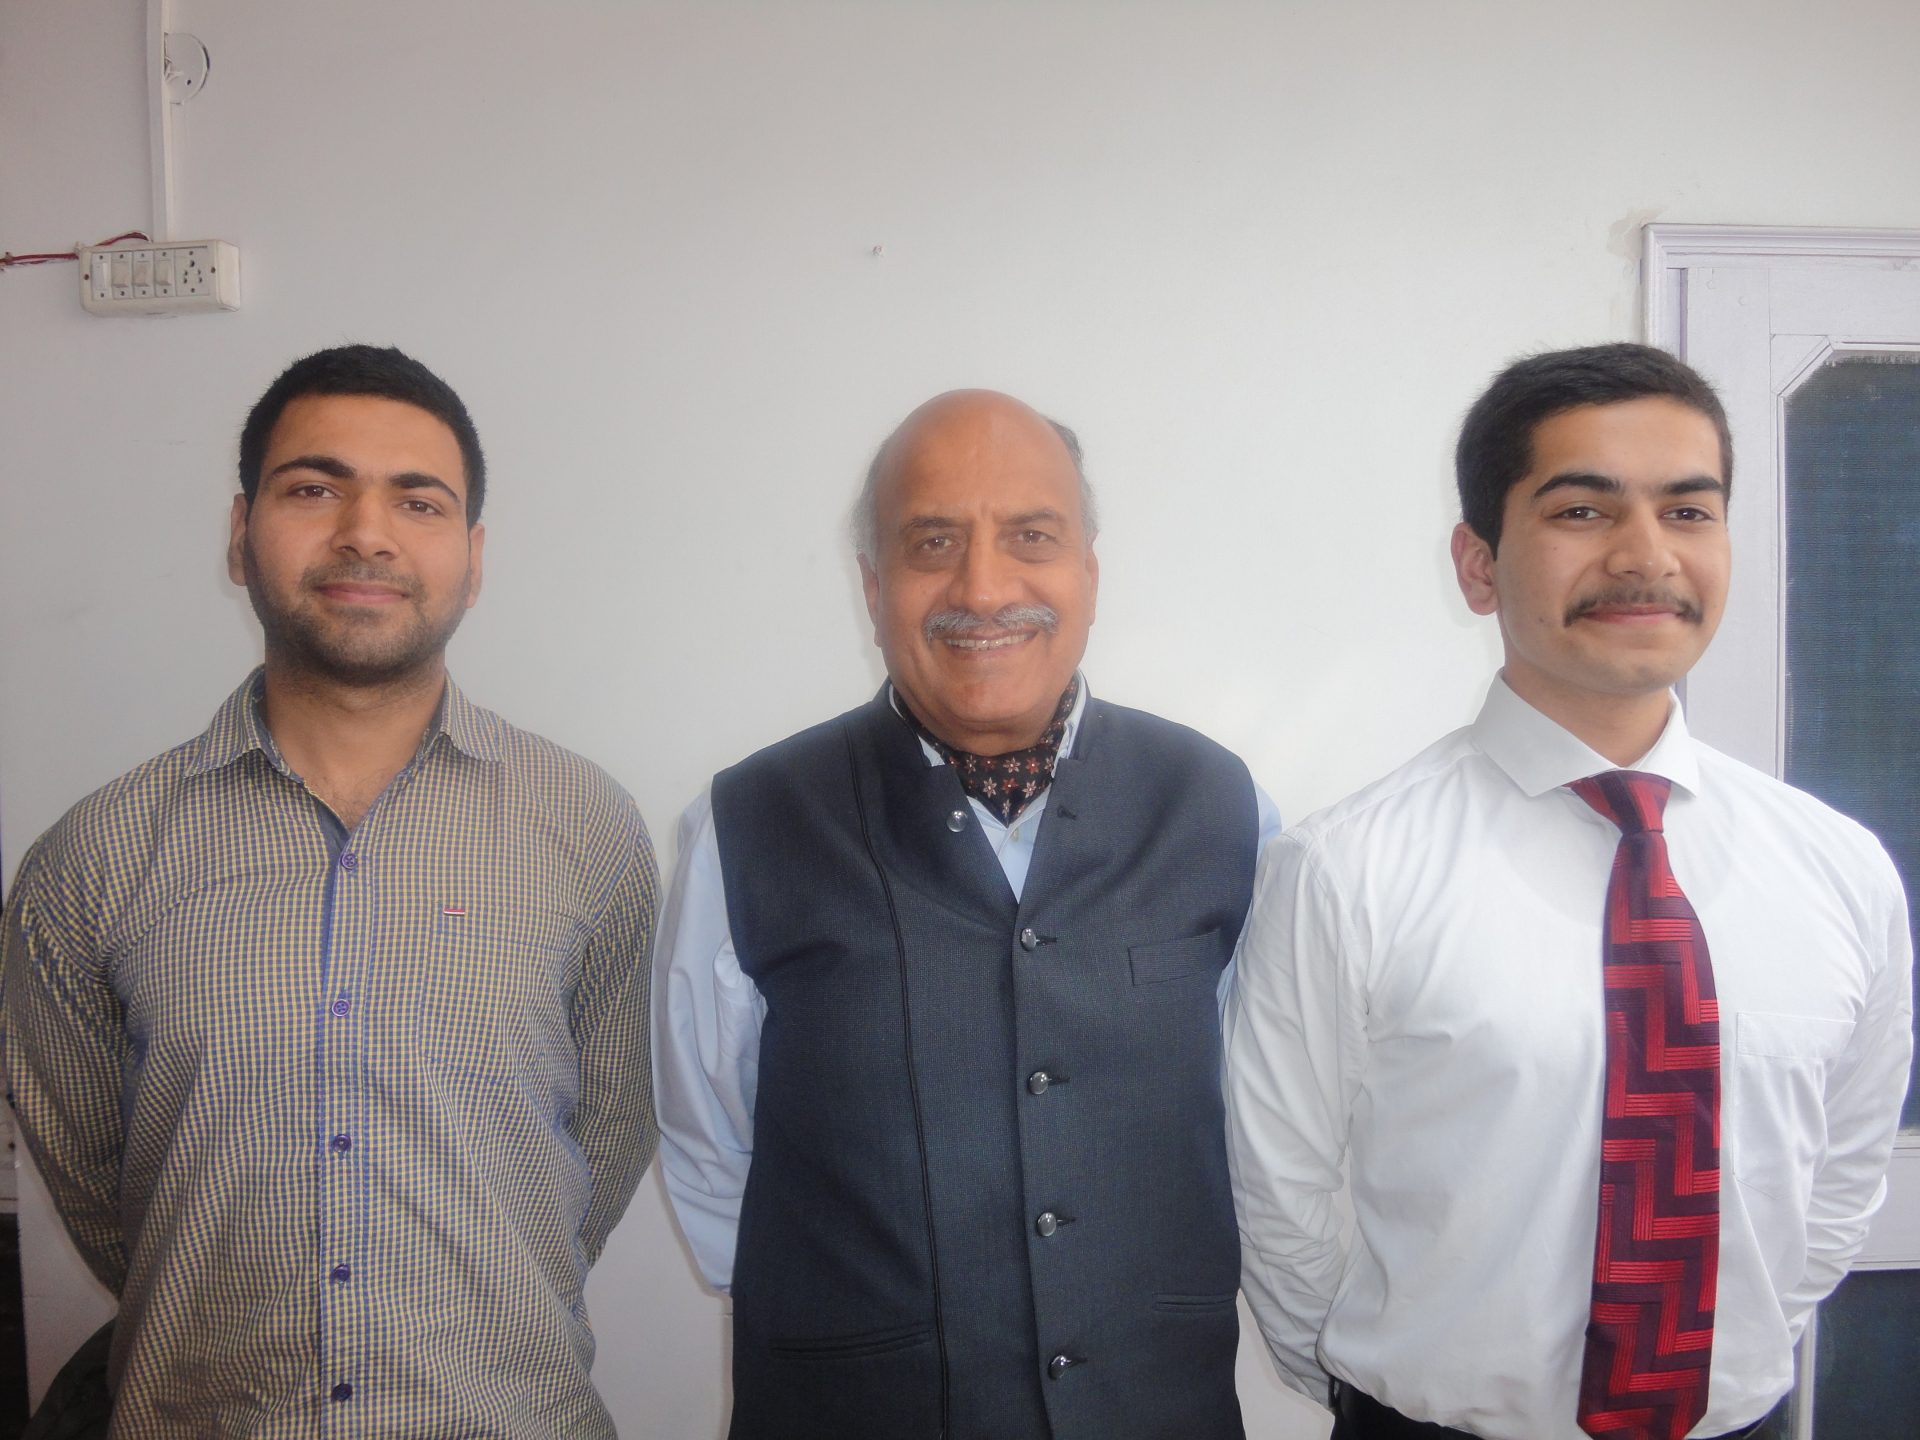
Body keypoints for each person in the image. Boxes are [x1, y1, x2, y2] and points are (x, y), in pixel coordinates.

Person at [1225, 343, 1913, 1440]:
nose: (1646, 556)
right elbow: (1280, 1192)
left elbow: (1841, 1176)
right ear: (1478, 565)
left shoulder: (1839, 871)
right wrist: (1379, 1388)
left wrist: (1734, 1361)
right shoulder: (1346, 869)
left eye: (1689, 512)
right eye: (1583, 511)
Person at [1, 345, 658, 1438]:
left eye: (419, 501)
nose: (366, 532)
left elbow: (612, 1136)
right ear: (239, 533)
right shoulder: (94, 857)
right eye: (314, 489)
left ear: (474, 557)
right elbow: (102, 1191)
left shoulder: (586, 830)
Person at [654, 389, 1280, 1440]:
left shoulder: (1223, 806)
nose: (983, 588)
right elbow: (708, 1139)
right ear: (873, 587)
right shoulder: (747, 823)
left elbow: (1264, 1122)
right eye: (933, 542)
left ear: (1088, 572)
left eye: (1031, 536)